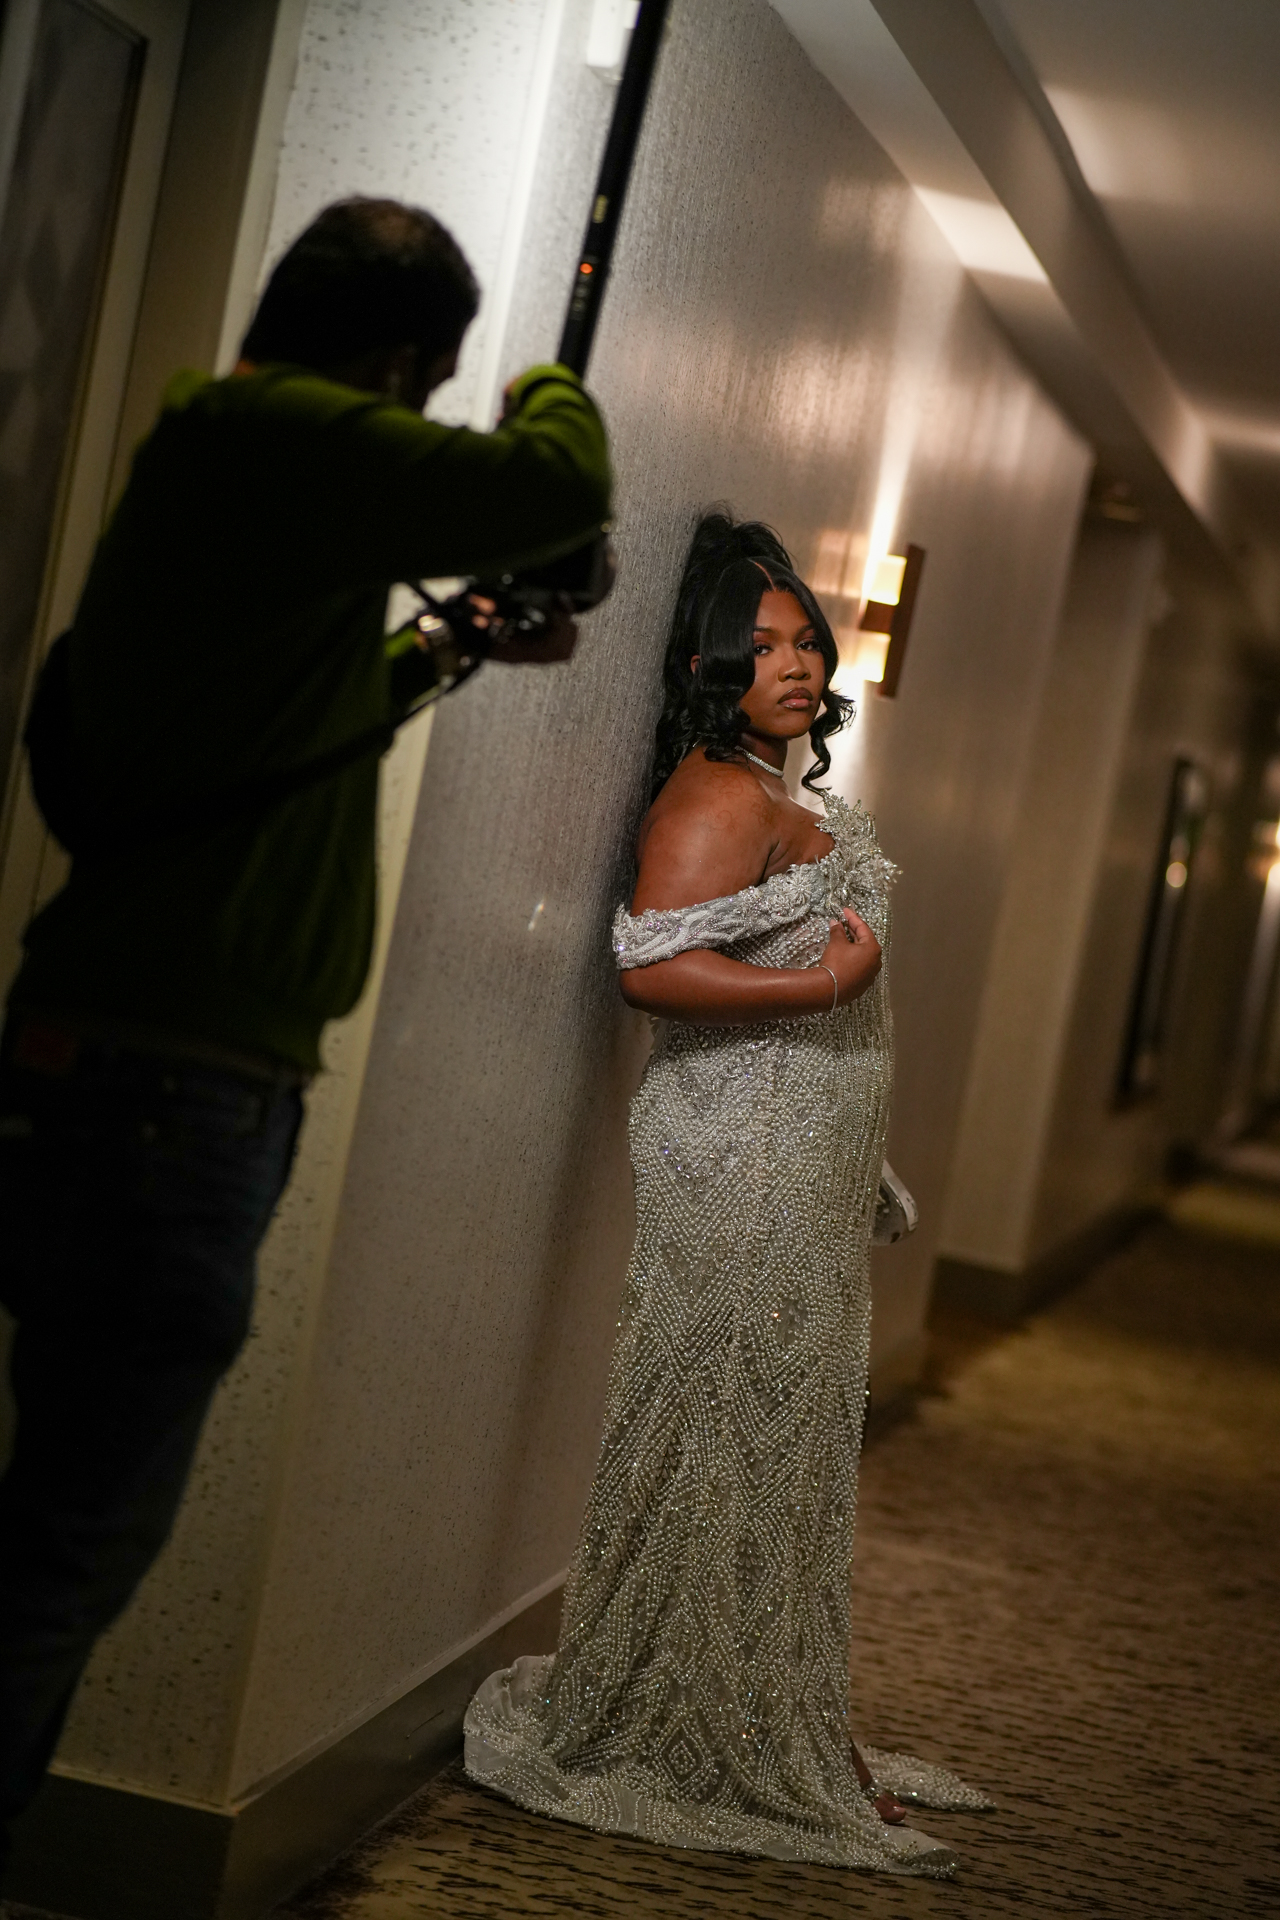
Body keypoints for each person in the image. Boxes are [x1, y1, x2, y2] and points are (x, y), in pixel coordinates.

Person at [0, 196, 612, 1859]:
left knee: (58, 1524)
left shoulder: (239, 477)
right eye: (435, 384)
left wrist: (440, 647)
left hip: (148, 1072)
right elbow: (556, 485)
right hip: (165, 1092)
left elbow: (259, 728)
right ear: (402, 360)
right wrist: (548, 385)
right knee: (68, 1546)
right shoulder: (265, 434)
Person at [464, 513, 989, 1877]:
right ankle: (690, 1722)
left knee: (779, 1446)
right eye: (757, 646)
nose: (795, 663)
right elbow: (649, 968)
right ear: (706, 662)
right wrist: (824, 982)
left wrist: (858, 1155)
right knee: (722, 1435)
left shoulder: (773, 787)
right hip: (738, 1163)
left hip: (797, 1163)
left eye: (805, 638)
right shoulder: (714, 795)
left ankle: (775, 1712)